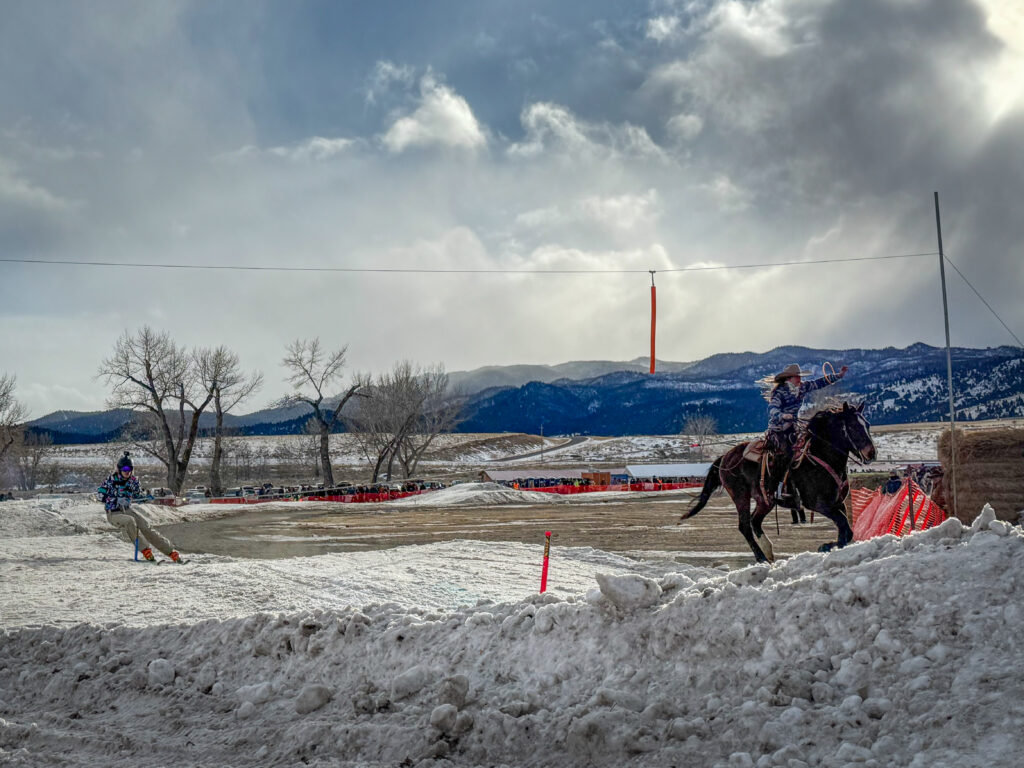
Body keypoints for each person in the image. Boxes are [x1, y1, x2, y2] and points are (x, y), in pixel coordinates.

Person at [766, 363, 848, 499]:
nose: (799, 379)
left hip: (794, 427)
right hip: (779, 429)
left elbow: (819, 383)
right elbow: (772, 409)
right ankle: (777, 489)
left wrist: (838, 376)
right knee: (786, 454)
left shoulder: (802, 387)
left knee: (811, 446)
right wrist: (782, 416)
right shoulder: (779, 392)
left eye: (799, 376)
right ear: (789, 378)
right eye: (796, 376)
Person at [98, 452, 184, 563]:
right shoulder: (111, 480)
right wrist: (115, 499)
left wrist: (145, 496)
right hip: (114, 512)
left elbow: (138, 495)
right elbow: (100, 495)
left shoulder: (133, 481)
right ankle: (145, 550)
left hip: (127, 510)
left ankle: (170, 552)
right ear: (119, 469)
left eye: (129, 469)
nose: (127, 471)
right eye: (124, 469)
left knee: (145, 527)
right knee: (130, 521)